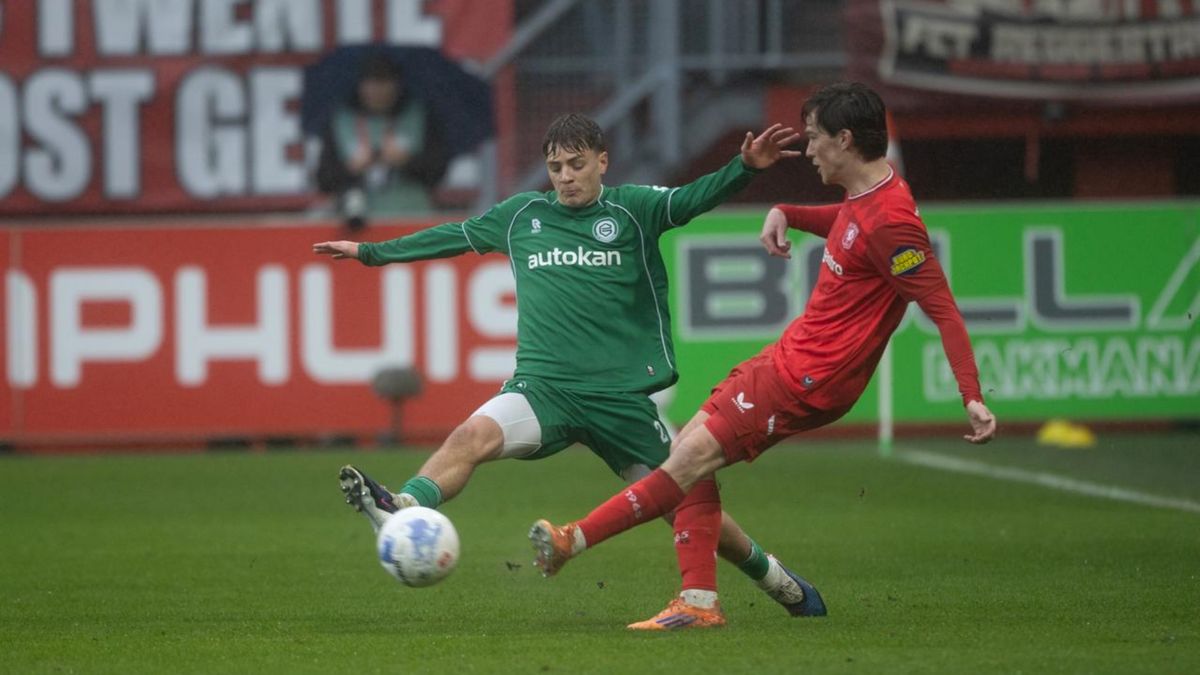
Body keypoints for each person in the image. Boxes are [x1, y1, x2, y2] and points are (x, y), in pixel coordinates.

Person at [313, 113, 828, 617]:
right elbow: (452, 235)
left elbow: (694, 198)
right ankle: (404, 508)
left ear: (602, 162)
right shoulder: (521, 217)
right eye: (555, 167)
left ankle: (775, 579)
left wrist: (746, 168)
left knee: (686, 505)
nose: (564, 177)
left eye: (576, 165)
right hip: (544, 390)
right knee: (472, 437)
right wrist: (370, 253)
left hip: (621, 398)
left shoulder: (634, 209)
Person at [528, 83, 998, 630]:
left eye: (817, 137)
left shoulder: (893, 221)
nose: (811, 148)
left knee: (683, 462)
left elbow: (943, 309)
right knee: (688, 452)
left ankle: (573, 540)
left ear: (846, 139)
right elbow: (847, 227)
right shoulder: (871, 199)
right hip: (789, 357)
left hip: (810, 378)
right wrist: (787, 211)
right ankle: (708, 599)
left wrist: (971, 396)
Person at [315, 53, 443, 228]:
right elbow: (324, 180)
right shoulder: (341, 120)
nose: (377, 90)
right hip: (358, 225)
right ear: (360, 85)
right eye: (371, 82)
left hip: (413, 220)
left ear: (396, 84)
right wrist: (351, 168)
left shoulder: (420, 116)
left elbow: (438, 171)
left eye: (384, 82)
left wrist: (406, 161)